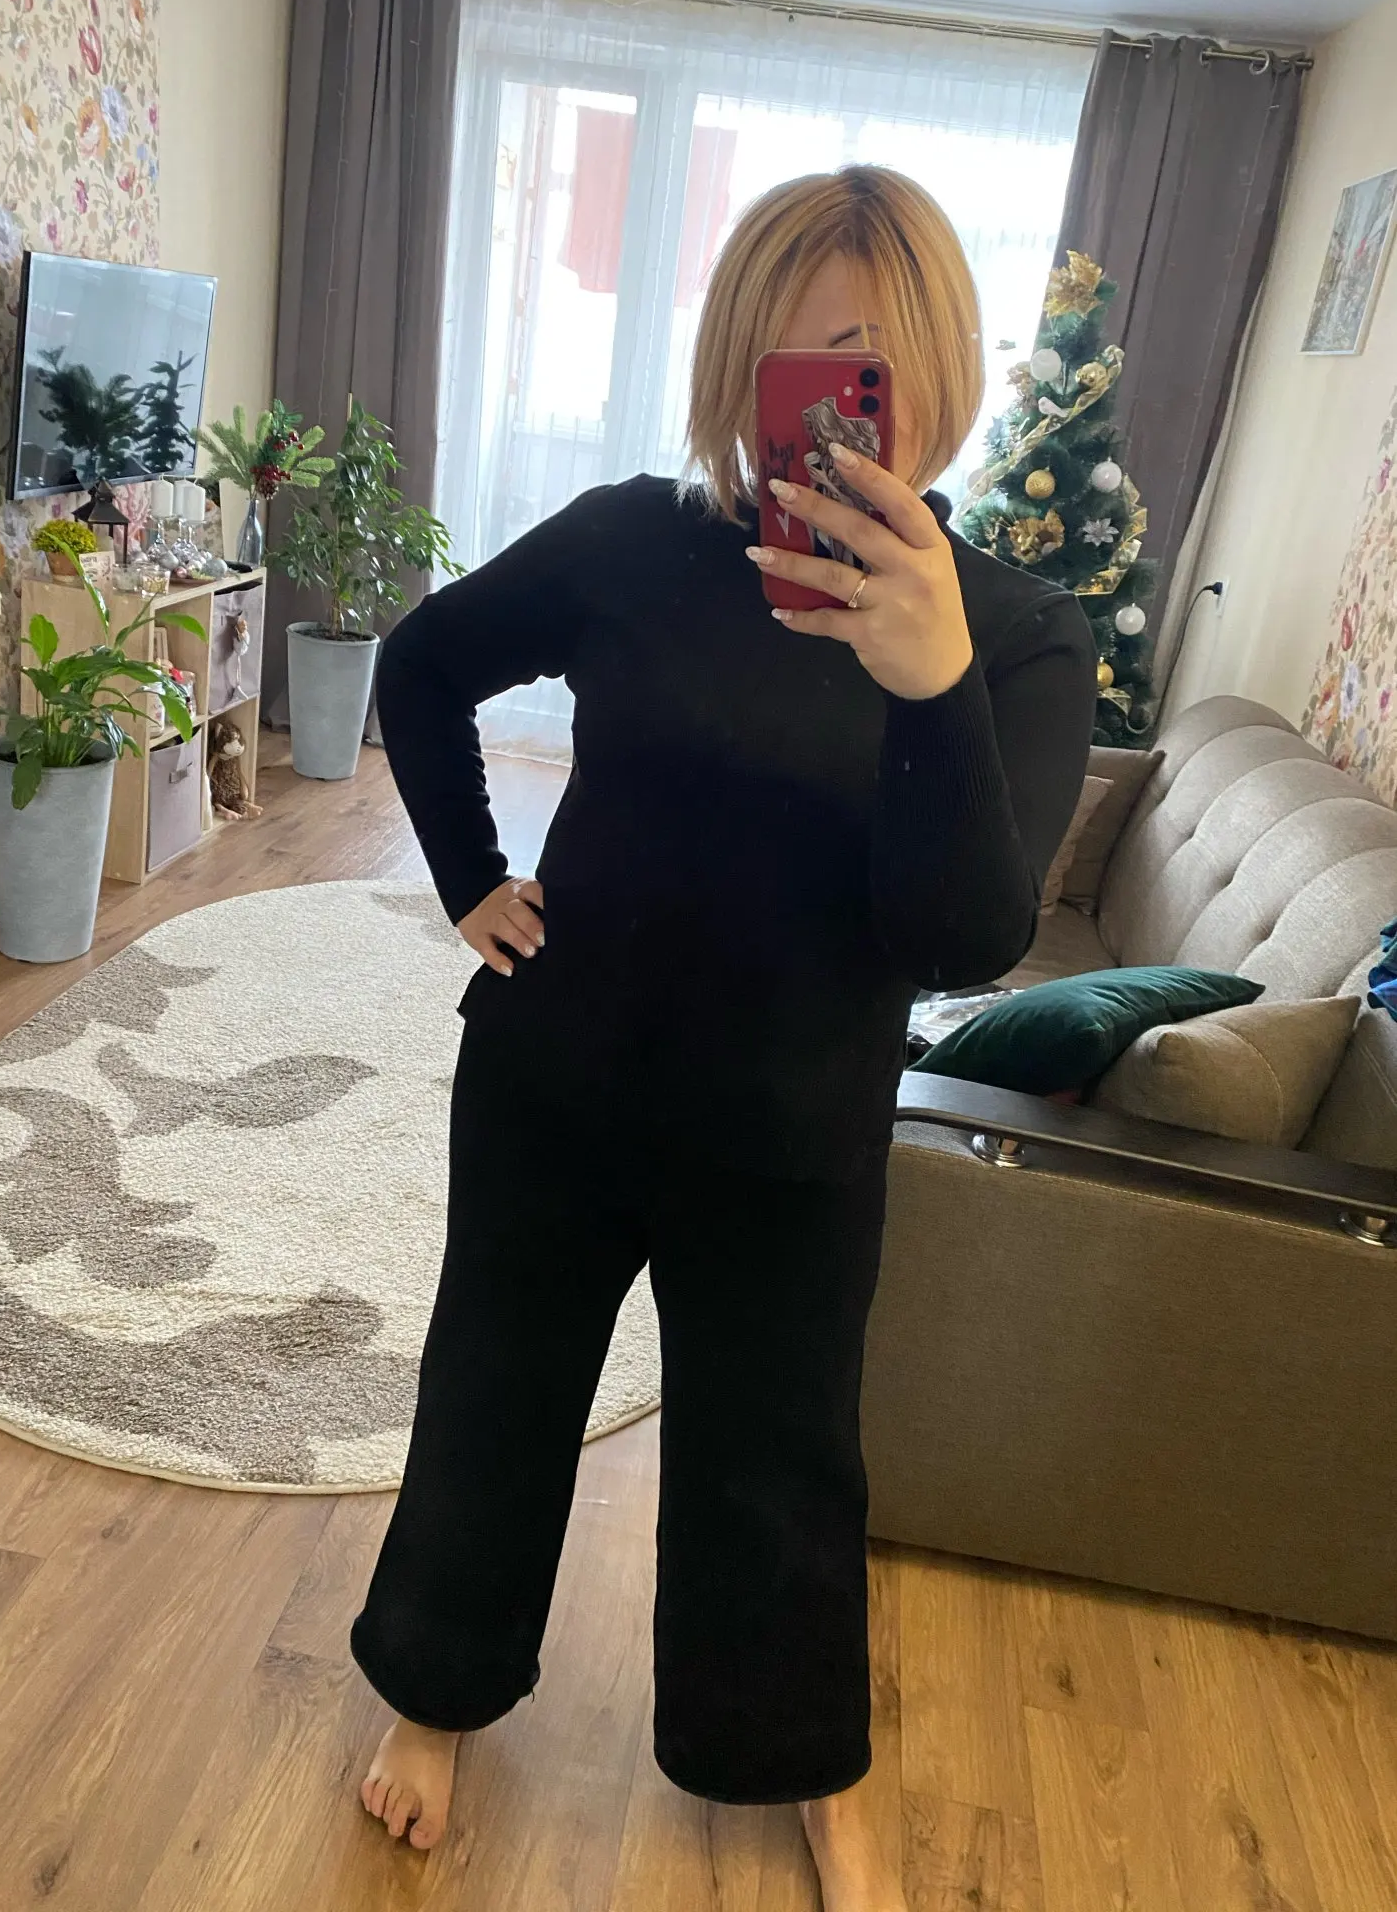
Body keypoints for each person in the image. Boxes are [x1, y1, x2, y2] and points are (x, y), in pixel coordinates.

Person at [350, 164, 1097, 1911]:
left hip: (794, 1129)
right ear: (742, 367)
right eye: (807, 362)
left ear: (940, 377)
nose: (843, 413)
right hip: (557, 1082)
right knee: (495, 1397)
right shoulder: (636, 540)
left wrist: (929, 683)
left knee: (782, 1466)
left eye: (878, 368)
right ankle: (434, 1697)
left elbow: (965, 936)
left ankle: (801, 1766)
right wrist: (469, 878)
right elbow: (423, 662)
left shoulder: (1019, 636)